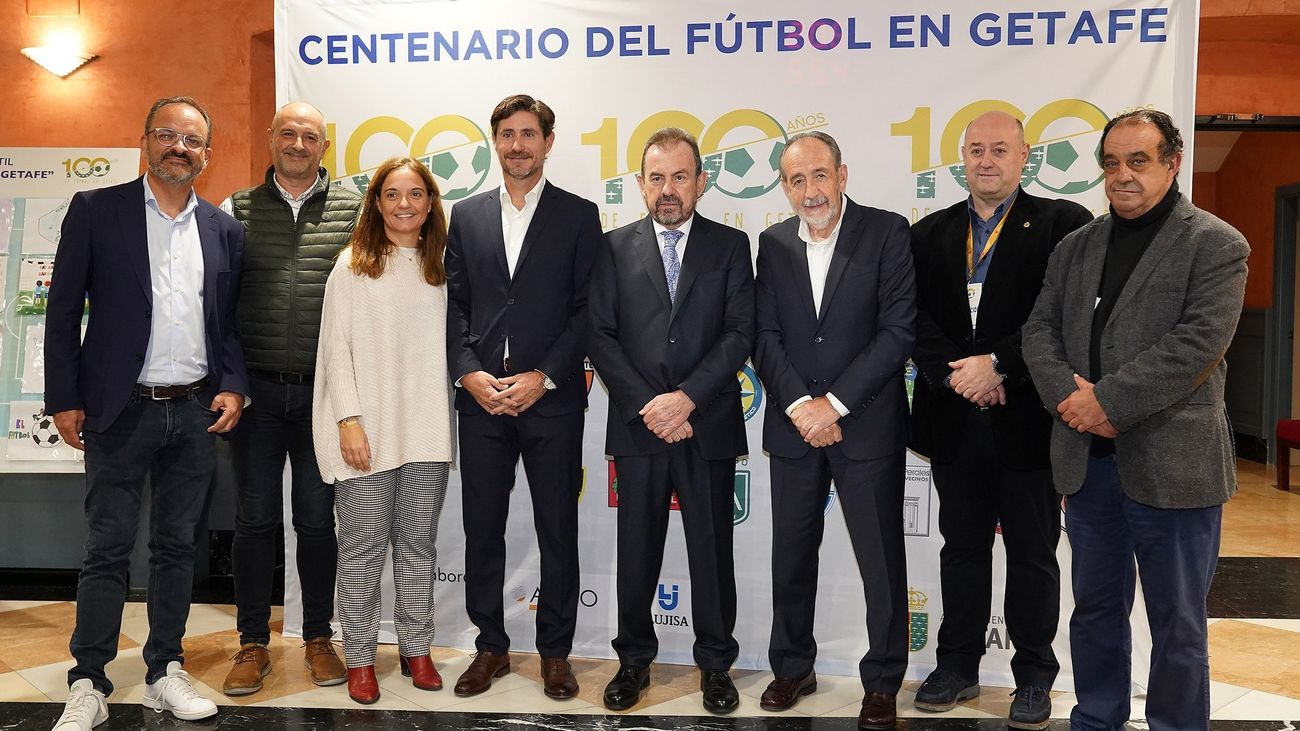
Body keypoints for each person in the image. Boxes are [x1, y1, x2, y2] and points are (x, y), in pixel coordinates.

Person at [1022, 109, 1248, 730]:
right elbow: (1039, 330)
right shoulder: (1076, 246)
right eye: (1112, 163)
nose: (1123, 175)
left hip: (1175, 467)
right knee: (1094, 610)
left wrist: (1108, 403)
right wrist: (1073, 401)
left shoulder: (1216, 244)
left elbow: (1198, 344)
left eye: (1138, 161)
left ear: (1172, 164)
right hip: (1087, 467)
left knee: (1178, 622)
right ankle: (1096, 718)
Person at [45, 96, 250, 730]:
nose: (179, 148)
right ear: (145, 142)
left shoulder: (223, 228)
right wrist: (64, 397)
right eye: (167, 136)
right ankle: (89, 680)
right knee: (107, 548)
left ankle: (164, 669)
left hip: (192, 412)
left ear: (206, 156)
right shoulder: (96, 210)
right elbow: (62, 313)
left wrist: (234, 385)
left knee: (175, 549)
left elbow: (229, 324)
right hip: (117, 412)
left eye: (192, 141)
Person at [907, 111, 1093, 728]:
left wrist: (998, 367)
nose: (987, 160)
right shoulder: (930, 232)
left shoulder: (1064, 226)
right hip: (955, 419)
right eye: (976, 149)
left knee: (1034, 553)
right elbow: (915, 318)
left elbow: (1061, 316)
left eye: (1000, 149)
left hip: (1031, 421)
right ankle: (957, 664)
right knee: (960, 548)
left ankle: (1035, 675)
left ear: (1025, 156)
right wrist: (959, 375)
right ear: (962, 157)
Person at [587, 127, 754, 714]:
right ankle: (633, 661)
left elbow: (740, 334)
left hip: (705, 423)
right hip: (639, 428)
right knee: (636, 550)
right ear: (639, 184)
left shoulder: (731, 247)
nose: (667, 189)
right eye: (656, 177)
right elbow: (600, 337)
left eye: (680, 176)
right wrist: (650, 405)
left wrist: (685, 399)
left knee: (711, 551)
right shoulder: (609, 248)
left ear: (701, 182)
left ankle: (715, 665)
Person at [752, 131, 915, 729]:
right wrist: (800, 404)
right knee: (791, 556)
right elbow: (763, 336)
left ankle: (882, 681)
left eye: (819, 176)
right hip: (795, 427)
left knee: (880, 559)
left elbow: (898, 331)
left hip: (865, 426)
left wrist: (836, 405)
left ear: (842, 175)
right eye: (796, 180)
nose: (809, 191)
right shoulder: (771, 244)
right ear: (784, 186)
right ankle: (792, 666)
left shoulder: (887, 231)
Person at [444, 94, 600, 700]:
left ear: (548, 142)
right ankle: (491, 647)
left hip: (551, 401)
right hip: (482, 402)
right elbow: (455, 306)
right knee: (483, 528)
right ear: (495, 142)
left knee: (558, 527)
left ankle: (555, 653)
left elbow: (589, 310)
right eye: (507, 134)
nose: (517, 144)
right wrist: (468, 374)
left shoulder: (579, 216)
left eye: (529, 133)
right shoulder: (468, 215)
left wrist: (545, 376)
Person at [219, 101, 361, 696]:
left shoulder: (356, 211)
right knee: (253, 522)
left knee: (315, 521)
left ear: (324, 147)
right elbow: (217, 304)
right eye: (288, 133)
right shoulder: (237, 210)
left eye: (310, 136)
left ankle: (318, 638)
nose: (298, 143)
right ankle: (252, 644)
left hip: (321, 398)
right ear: (271, 140)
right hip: (253, 394)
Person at [311, 156, 454, 705]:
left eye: (415, 194)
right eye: (392, 194)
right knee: (363, 548)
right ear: (376, 203)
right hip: (364, 434)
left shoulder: (440, 266)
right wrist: (349, 420)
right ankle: (362, 658)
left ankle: (417, 650)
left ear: (429, 203)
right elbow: (334, 352)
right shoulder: (352, 266)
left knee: (418, 545)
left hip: (426, 432)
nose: (404, 205)